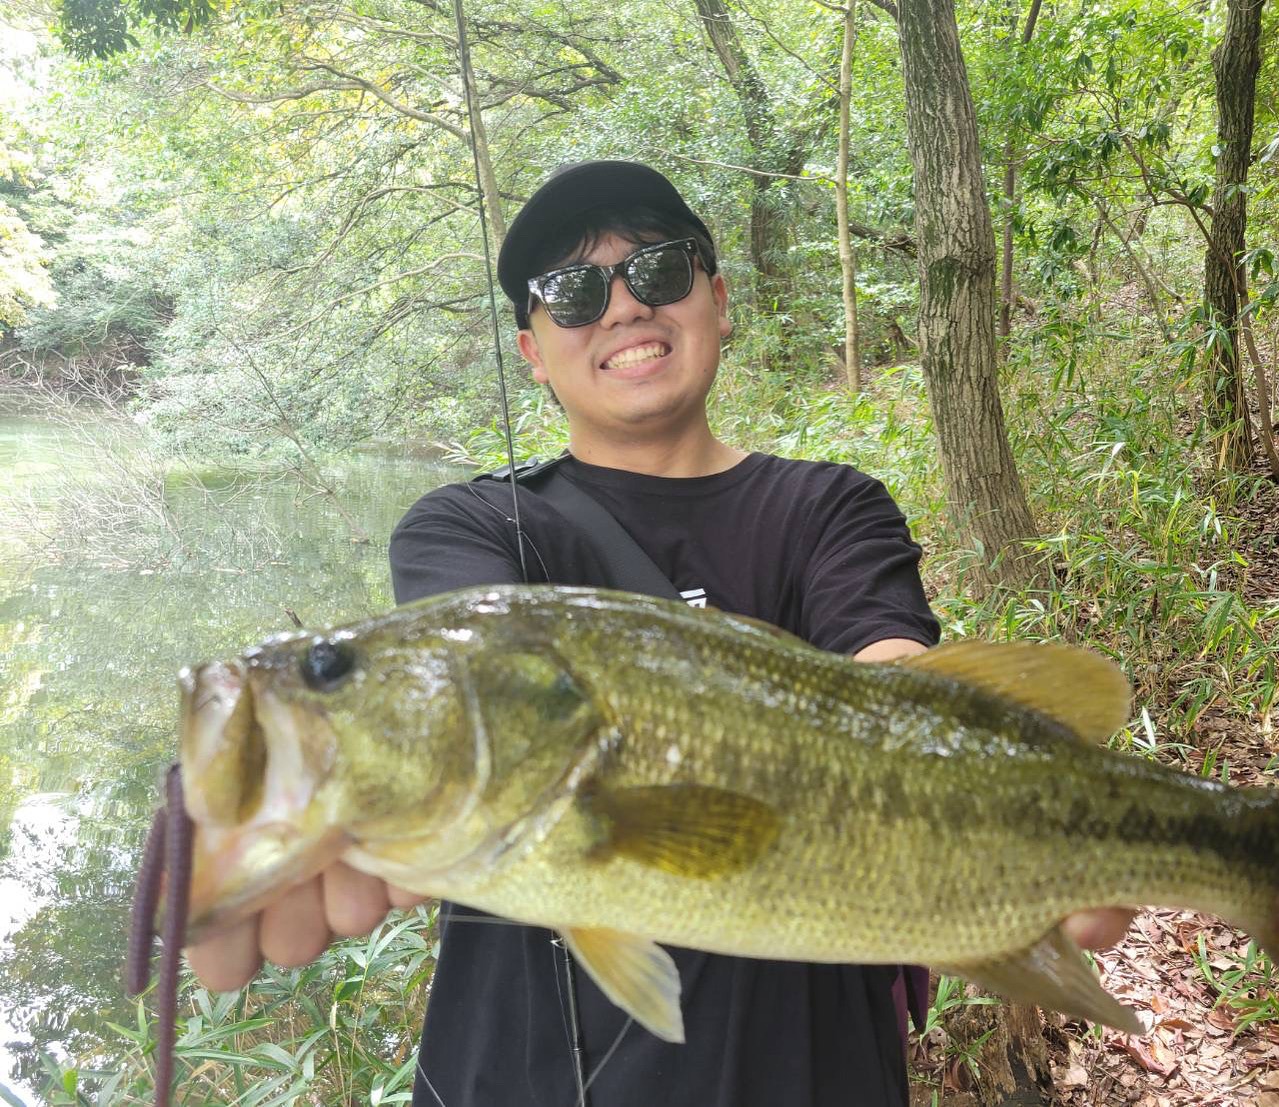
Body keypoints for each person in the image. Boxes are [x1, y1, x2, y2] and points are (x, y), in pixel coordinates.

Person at [186, 160, 1133, 1106]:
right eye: (574, 292)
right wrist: (273, 787)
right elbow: (457, 704)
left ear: (717, 300)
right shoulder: (467, 529)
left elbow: (897, 671)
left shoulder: (832, 506)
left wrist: (1001, 806)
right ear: (532, 351)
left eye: (660, 270)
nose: (624, 305)